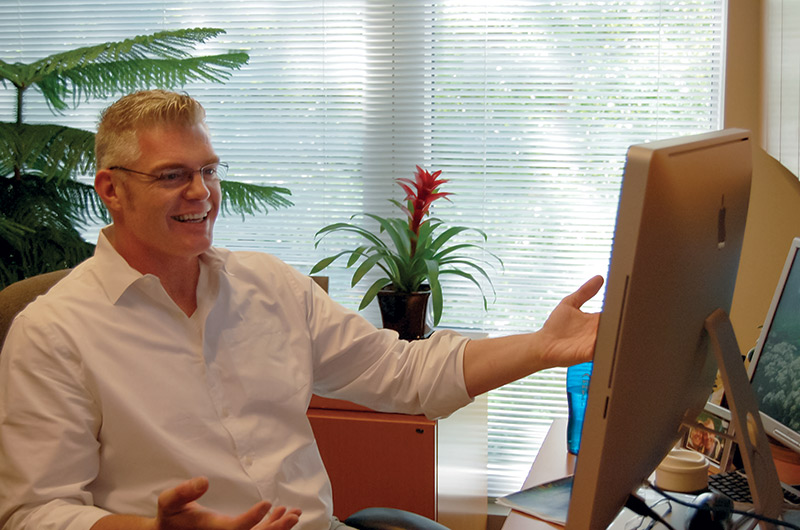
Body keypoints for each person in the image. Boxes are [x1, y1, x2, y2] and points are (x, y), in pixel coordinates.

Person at [0, 90, 604, 530]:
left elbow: (406, 373)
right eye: (172, 176)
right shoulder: (53, 334)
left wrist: (542, 348)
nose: (201, 194)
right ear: (111, 189)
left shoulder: (268, 286)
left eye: (209, 170)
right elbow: (32, 512)